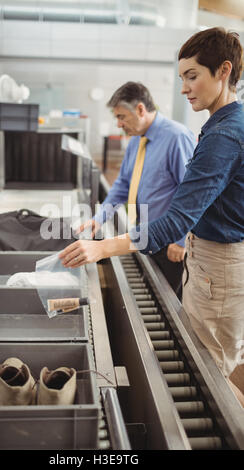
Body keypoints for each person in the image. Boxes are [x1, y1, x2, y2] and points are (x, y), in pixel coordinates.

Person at [60, 27, 244, 406]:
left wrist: (103, 248)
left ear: (223, 71)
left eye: (192, 76)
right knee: (206, 356)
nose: (184, 88)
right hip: (206, 256)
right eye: (182, 78)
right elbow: (132, 185)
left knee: (213, 371)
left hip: (218, 265)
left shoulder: (223, 135)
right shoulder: (219, 127)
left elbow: (178, 217)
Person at [76, 81, 196, 299]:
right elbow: (122, 183)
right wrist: (100, 217)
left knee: (170, 302)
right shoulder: (136, 141)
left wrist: (181, 241)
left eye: (122, 116)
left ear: (140, 109)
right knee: (153, 291)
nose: (119, 124)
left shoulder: (177, 137)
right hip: (144, 233)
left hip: (170, 241)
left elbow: (192, 195)